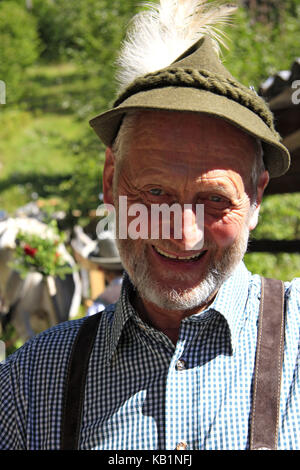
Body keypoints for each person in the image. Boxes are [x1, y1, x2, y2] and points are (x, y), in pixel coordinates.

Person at [0, 1, 299, 450]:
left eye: (214, 200)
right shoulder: (29, 384)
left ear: (255, 197)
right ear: (109, 181)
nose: (182, 233)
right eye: (156, 192)